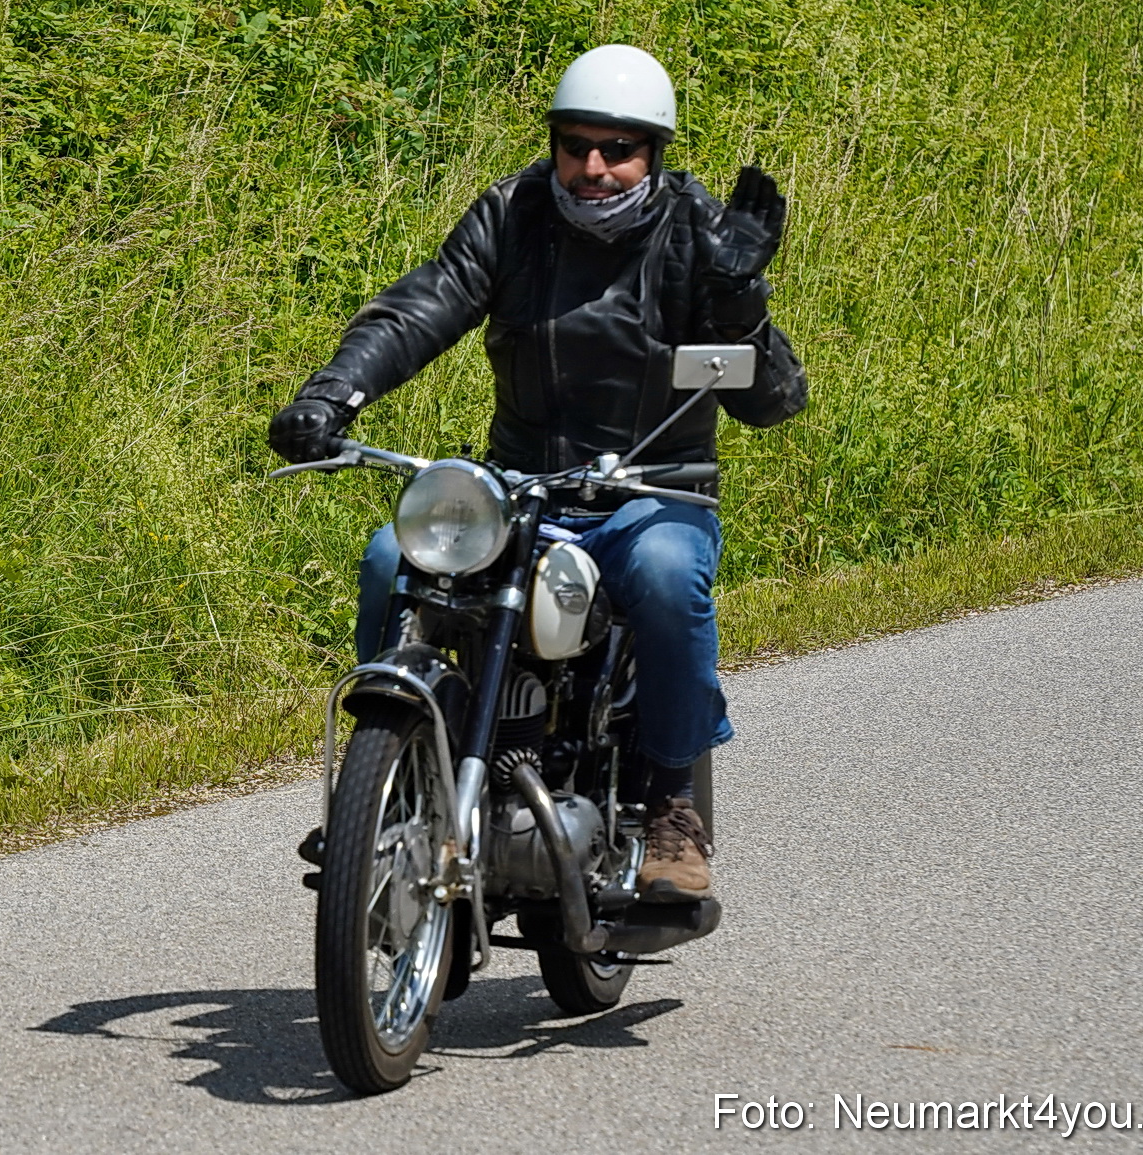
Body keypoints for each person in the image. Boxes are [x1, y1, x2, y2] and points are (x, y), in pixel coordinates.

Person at [267, 45, 807, 901]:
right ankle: (391, 786)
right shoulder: (513, 214)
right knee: (388, 558)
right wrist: (333, 394)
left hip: (652, 491)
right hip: (521, 488)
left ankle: (671, 805)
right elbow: (427, 303)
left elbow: (772, 401)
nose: (592, 167)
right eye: (574, 145)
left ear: (653, 151)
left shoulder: (700, 231)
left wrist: (740, 294)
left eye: (617, 149)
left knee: (669, 579)